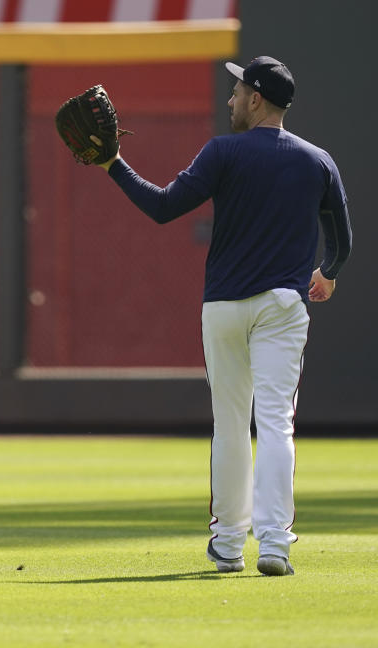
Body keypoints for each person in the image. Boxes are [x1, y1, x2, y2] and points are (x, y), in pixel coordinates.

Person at [95, 57, 352, 576]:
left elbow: (164, 207)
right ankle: (275, 544)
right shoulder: (317, 160)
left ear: (257, 99)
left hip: (225, 308)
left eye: (237, 91)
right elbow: (342, 240)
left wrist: (113, 165)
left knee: (232, 426)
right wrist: (327, 272)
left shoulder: (223, 151)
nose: (231, 99)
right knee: (277, 423)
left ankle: (230, 545)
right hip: (283, 307)